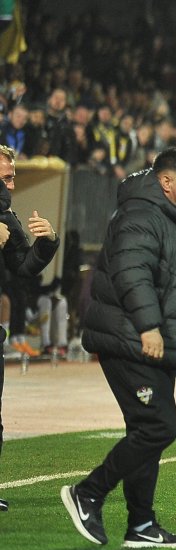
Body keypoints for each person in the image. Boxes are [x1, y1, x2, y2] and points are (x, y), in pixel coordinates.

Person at [61, 147, 176, 548]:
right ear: (166, 181)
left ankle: (141, 525)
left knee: (146, 429)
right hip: (133, 340)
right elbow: (131, 273)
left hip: (148, 342)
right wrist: (150, 327)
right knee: (159, 426)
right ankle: (87, 492)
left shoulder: (168, 218)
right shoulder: (142, 215)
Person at [0, 145, 60, 512]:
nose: (12, 182)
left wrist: (48, 241)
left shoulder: (6, 216)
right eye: (7, 176)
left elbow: (23, 266)